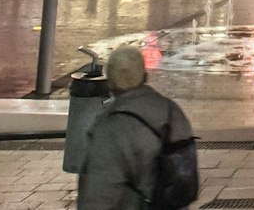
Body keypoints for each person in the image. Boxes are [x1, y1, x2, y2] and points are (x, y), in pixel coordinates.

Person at [77, 44, 198, 210]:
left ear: (110, 82)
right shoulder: (172, 111)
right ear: (145, 76)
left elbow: (98, 195)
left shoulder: (110, 129)